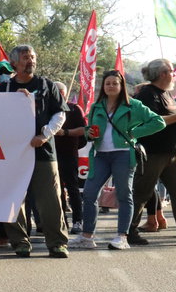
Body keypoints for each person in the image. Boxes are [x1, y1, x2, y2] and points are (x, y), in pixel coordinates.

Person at [68, 70, 165, 250]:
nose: (111, 86)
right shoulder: (97, 106)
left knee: (124, 195)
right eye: (108, 83)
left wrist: (134, 133)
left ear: (121, 86)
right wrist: (89, 133)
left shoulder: (133, 105)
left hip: (123, 154)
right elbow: (90, 129)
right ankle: (87, 236)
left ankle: (122, 237)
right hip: (101, 155)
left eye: (115, 83)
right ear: (103, 87)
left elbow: (158, 122)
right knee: (89, 193)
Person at [0, 45, 70, 258]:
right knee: (14, 199)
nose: (31, 61)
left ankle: (57, 243)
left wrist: (44, 135)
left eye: (33, 57)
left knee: (50, 201)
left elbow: (59, 114)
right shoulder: (4, 90)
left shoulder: (46, 85)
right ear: (15, 63)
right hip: (12, 154)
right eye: (26, 57)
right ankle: (20, 242)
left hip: (43, 152)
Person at [127, 59, 176, 246]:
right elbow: (154, 121)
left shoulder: (166, 94)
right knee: (141, 194)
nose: (174, 75)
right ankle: (128, 231)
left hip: (172, 155)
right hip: (153, 154)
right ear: (162, 74)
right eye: (171, 71)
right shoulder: (147, 94)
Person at [53, 81, 88, 234]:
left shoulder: (74, 109)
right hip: (51, 155)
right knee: (56, 190)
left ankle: (78, 220)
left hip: (68, 154)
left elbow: (84, 130)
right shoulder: (46, 109)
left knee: (73, 188)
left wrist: (65, 133)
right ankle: (61, 221)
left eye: (58, 91)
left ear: (63, 93)